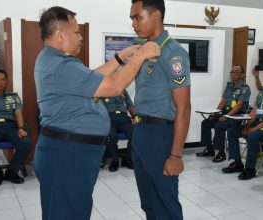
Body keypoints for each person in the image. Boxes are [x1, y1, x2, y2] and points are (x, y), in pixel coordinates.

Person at [33, 6, 160, 220]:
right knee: (68, 213)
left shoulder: (54, 59)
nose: (80, 37)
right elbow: (113, 87)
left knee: (71, 210)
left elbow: (91, 79)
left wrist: (120, 58)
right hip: (68, 154)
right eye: (76, 32)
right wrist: (141, 56)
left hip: (68, 151)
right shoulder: (61, 65)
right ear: (60, 35)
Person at [130, 0, 191, 219]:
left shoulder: (173, 54)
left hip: (160, 135)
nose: (134, 24)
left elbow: (183, 108)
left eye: (138, 17)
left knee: (165, 203)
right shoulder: (145, 51)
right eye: (132, 19)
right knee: (148, 203)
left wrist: (176, 155)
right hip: (141, 133)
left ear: (156, 15)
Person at [196, 66, 250, 163]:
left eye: (237, 72)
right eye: (232, 72)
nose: (234, 74)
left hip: (237, 115)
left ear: (242, 74)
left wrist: (226, 116)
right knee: (206, 123)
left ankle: (221, 153)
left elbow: (239, 105)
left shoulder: (245, 88)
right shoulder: (229, 86)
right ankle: (209, 149)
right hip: (226, 112)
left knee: (219, 126)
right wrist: (214, 113)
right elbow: (223, 101)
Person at [102, 89, 135, 172]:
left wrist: (136, 117)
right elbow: (98, 106)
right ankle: (114, 161)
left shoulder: (123, 91)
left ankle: (127, 159)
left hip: (124, 118)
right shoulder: (103, 89)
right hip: (109, 119)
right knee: (111, 135)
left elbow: (130, 106)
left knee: (136, 132)